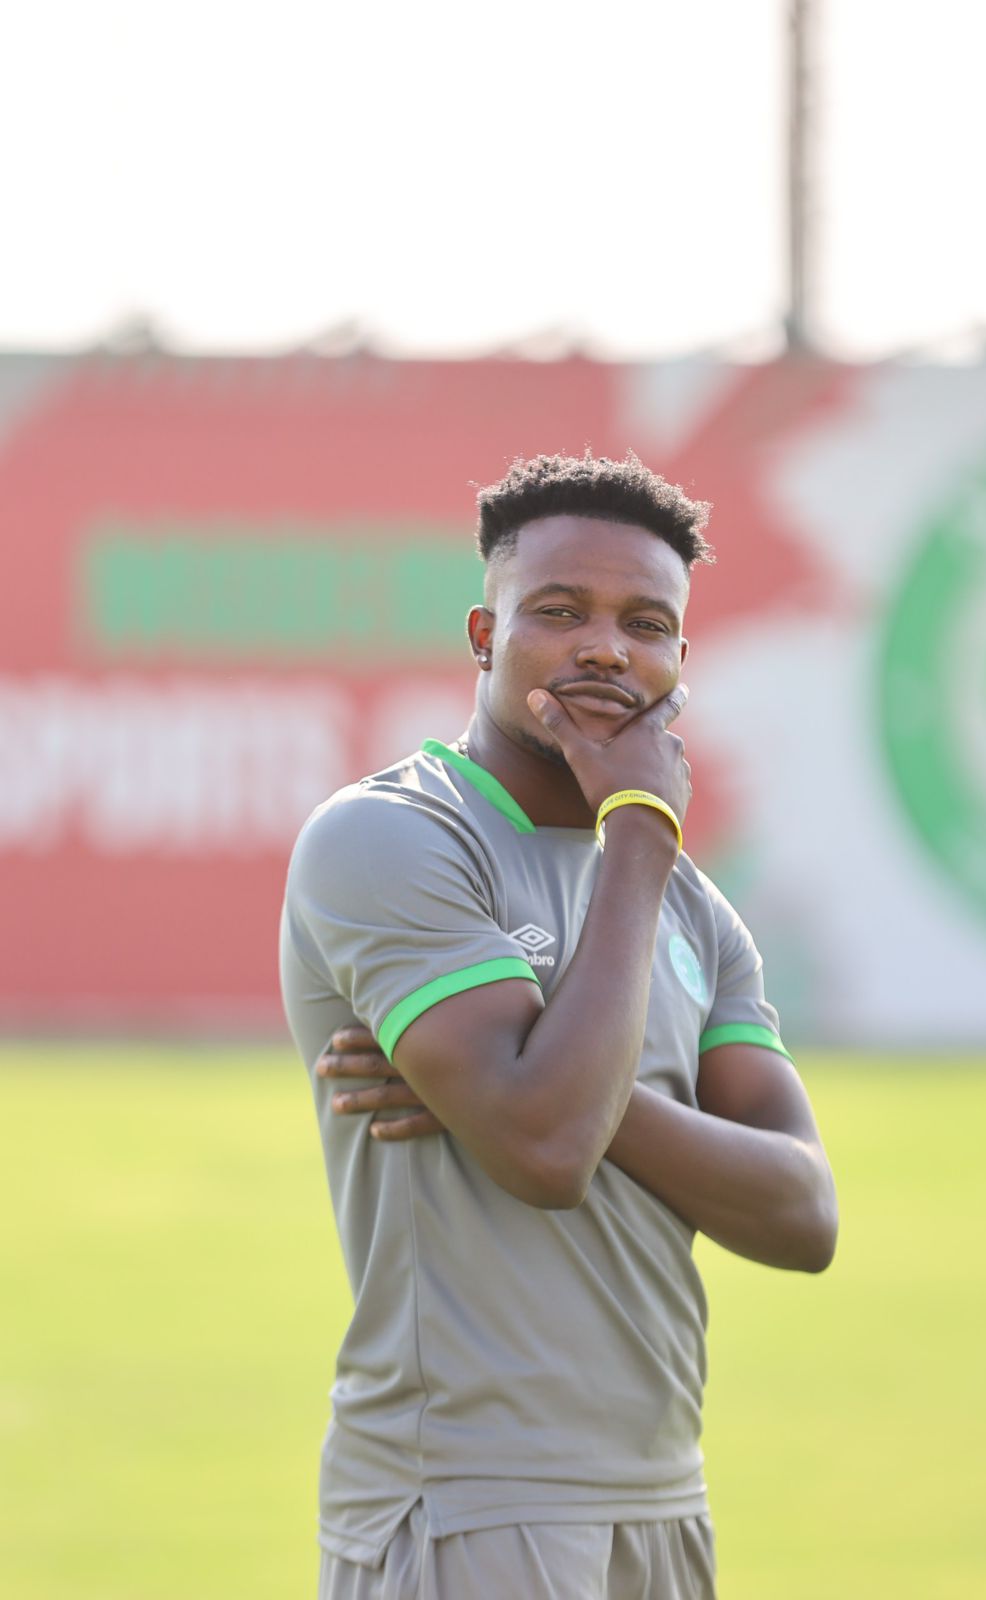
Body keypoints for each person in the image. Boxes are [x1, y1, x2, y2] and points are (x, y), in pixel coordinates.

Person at [280, 451, 838, 1600]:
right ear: (485, 635)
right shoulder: (392, 838)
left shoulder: (693, 908)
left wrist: (541, 1084)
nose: (606, 648)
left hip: (663, 1501)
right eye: (560, 611)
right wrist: (637, 828)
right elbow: (543, 1148)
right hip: (465, 1499)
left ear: (679, 663)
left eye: (646, 624)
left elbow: (800, 1212)